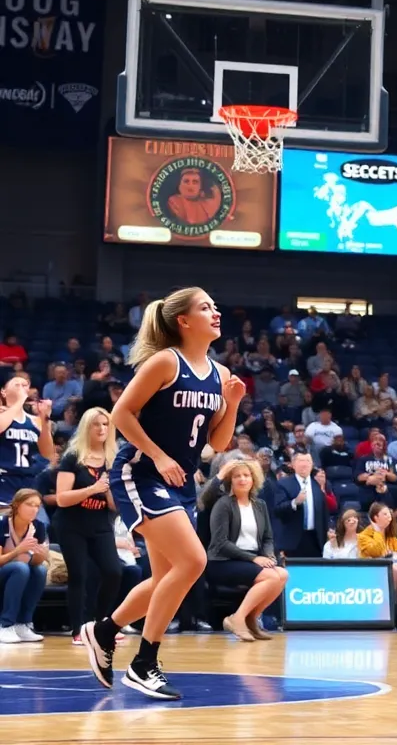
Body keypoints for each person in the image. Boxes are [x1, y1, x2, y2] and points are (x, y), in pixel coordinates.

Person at [81, 287, 243, 701]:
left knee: (163, 579)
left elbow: (220, 443)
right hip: (142, 473)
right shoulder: (164, 362)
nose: (216, 311)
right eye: (206, 306)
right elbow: (121, 414)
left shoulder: (221, 374)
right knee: (193, 561)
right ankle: (144, 662)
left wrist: (234, 403)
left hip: (179, 483)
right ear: (183, 321)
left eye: (215, 304)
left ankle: (103, 631)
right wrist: (158, 454)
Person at [54, 408, 122, 644]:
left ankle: (100, 623)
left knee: (114, 572)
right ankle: (77, 630)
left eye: (106, 424)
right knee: (79, 575)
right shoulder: (72, 457)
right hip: (72, 524)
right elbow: (62, 498)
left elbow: (115, 506)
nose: (102, 429)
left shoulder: (114, 459)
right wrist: (93, 489)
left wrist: (111, 490)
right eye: (97, 424)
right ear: (86, 427)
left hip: (100, 523)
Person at [206, 459, 286, 642]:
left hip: (249, 560)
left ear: (253, 479)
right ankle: (237, 618)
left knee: (282, 574)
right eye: (237, 476)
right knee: (271, 576)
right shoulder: (223, 504)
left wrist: (268, 555)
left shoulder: (260, 505)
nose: (242, 479)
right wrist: (253, 559)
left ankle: (251, 618)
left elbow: (267, 538)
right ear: (230, 481)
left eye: (246, 475)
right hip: (223, 561)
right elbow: (220, 543)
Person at [0, 488, 49, 643]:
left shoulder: (39, 527)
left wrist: (41, 555)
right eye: (29, 504)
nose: (34, 509)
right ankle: (5, 625)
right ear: (17, 505)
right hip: (5, 572)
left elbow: (35, 562)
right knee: (20, 568)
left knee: (40, 570)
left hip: (19, 573)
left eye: (37, 506)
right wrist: (19, 550)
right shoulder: (2, 524)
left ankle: (23, 623)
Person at [0, 375, 54, 508]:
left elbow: (48, 453)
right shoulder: (2, 414)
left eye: (24, 385)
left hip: (27, 481)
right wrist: (20, 401)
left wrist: (44, 418)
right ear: (3, 392)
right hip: (4, 478)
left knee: (33, 525)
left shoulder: (34, 420)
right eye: (17, 385)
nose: (21, 388)